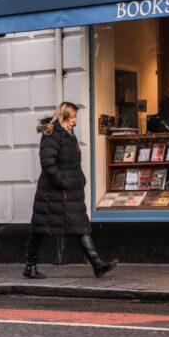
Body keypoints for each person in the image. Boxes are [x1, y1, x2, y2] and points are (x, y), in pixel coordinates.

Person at [24, 101, 118, 279]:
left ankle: (97, 265)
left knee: (81, 225)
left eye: (75, 117)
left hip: (70, 192)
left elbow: (73, 162)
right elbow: (48, 163)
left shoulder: (69, 134)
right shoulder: (52, 134)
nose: (75, 121)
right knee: (40, 228)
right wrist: (63, 182)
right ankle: (30, 266)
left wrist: (80, 179)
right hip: (53, 193)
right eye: (73, 117)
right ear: (64, 116)